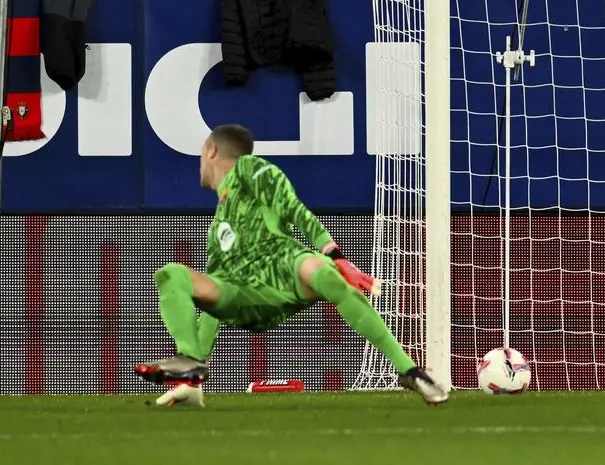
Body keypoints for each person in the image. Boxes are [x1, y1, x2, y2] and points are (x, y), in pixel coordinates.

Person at [132, 124, 449, 407]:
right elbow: (211, 305)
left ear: (212, 150)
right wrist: (193, 379)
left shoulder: (248, 167)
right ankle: (189, 364)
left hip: (281, 271)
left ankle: (409, 370)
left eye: (201, 156)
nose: (199, 165)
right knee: (173, 274)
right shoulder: (219, 228)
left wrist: (335, 254)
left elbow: (293, 208)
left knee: (322, 270)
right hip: (243, 297)